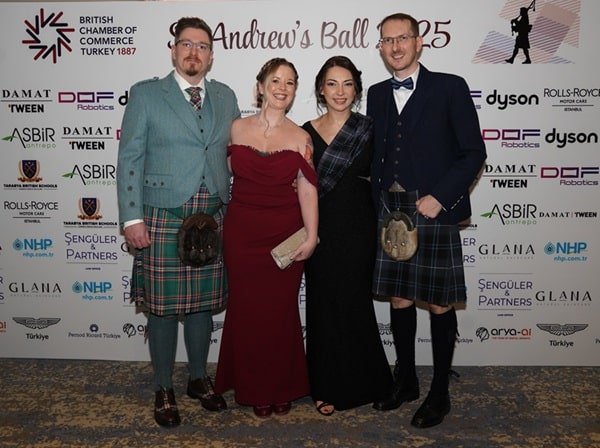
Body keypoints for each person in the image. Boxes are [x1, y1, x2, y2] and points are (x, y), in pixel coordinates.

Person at [116, 17, 240, 428]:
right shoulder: (147, 94)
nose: (193, 52)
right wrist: (132, 217)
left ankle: (199, 378)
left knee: (203, 304)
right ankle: (164, 386)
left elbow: (235, 154)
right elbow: (129, 159)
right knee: (164, 308)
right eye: (186, 44)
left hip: (213, 215)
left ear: (211, 56)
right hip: (162, 215)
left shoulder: (225, 96)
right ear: (173, 50)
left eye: (202, 46)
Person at [367, 13, 486, 428]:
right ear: (381, 48)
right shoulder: (376, 94)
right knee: (399, 298)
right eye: (387, 40)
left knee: (438, 301)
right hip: (391, 211)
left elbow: (473, 152)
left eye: (403, 38)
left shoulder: (450, 87)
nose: (395, 46)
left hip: (433, 209)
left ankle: (439, 392)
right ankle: (406, 381)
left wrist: (441, 197)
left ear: (419, 43)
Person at [214, 58, 319, 418]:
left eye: (290, 83)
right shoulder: (235, 128)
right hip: (242, 233)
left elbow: (308, 190)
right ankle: (254, 387)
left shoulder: (301, 137)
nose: (282, 88)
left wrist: (312, 235)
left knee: (280, 311)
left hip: (284, 234)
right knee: (247, 310)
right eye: (275, 80)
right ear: (260, 86)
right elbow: (222, 171)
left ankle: (282, 386)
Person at [301, 56, 393, 416]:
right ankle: (324, 385)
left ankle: (366, 382)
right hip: (319, 228)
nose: (340, 92)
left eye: (347, 84)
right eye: (332, 84)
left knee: (355, 303)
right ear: (320, 90)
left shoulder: (369, 129)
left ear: (356, 90)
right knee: (322, 305)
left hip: (359, 226)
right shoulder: (304, 132)